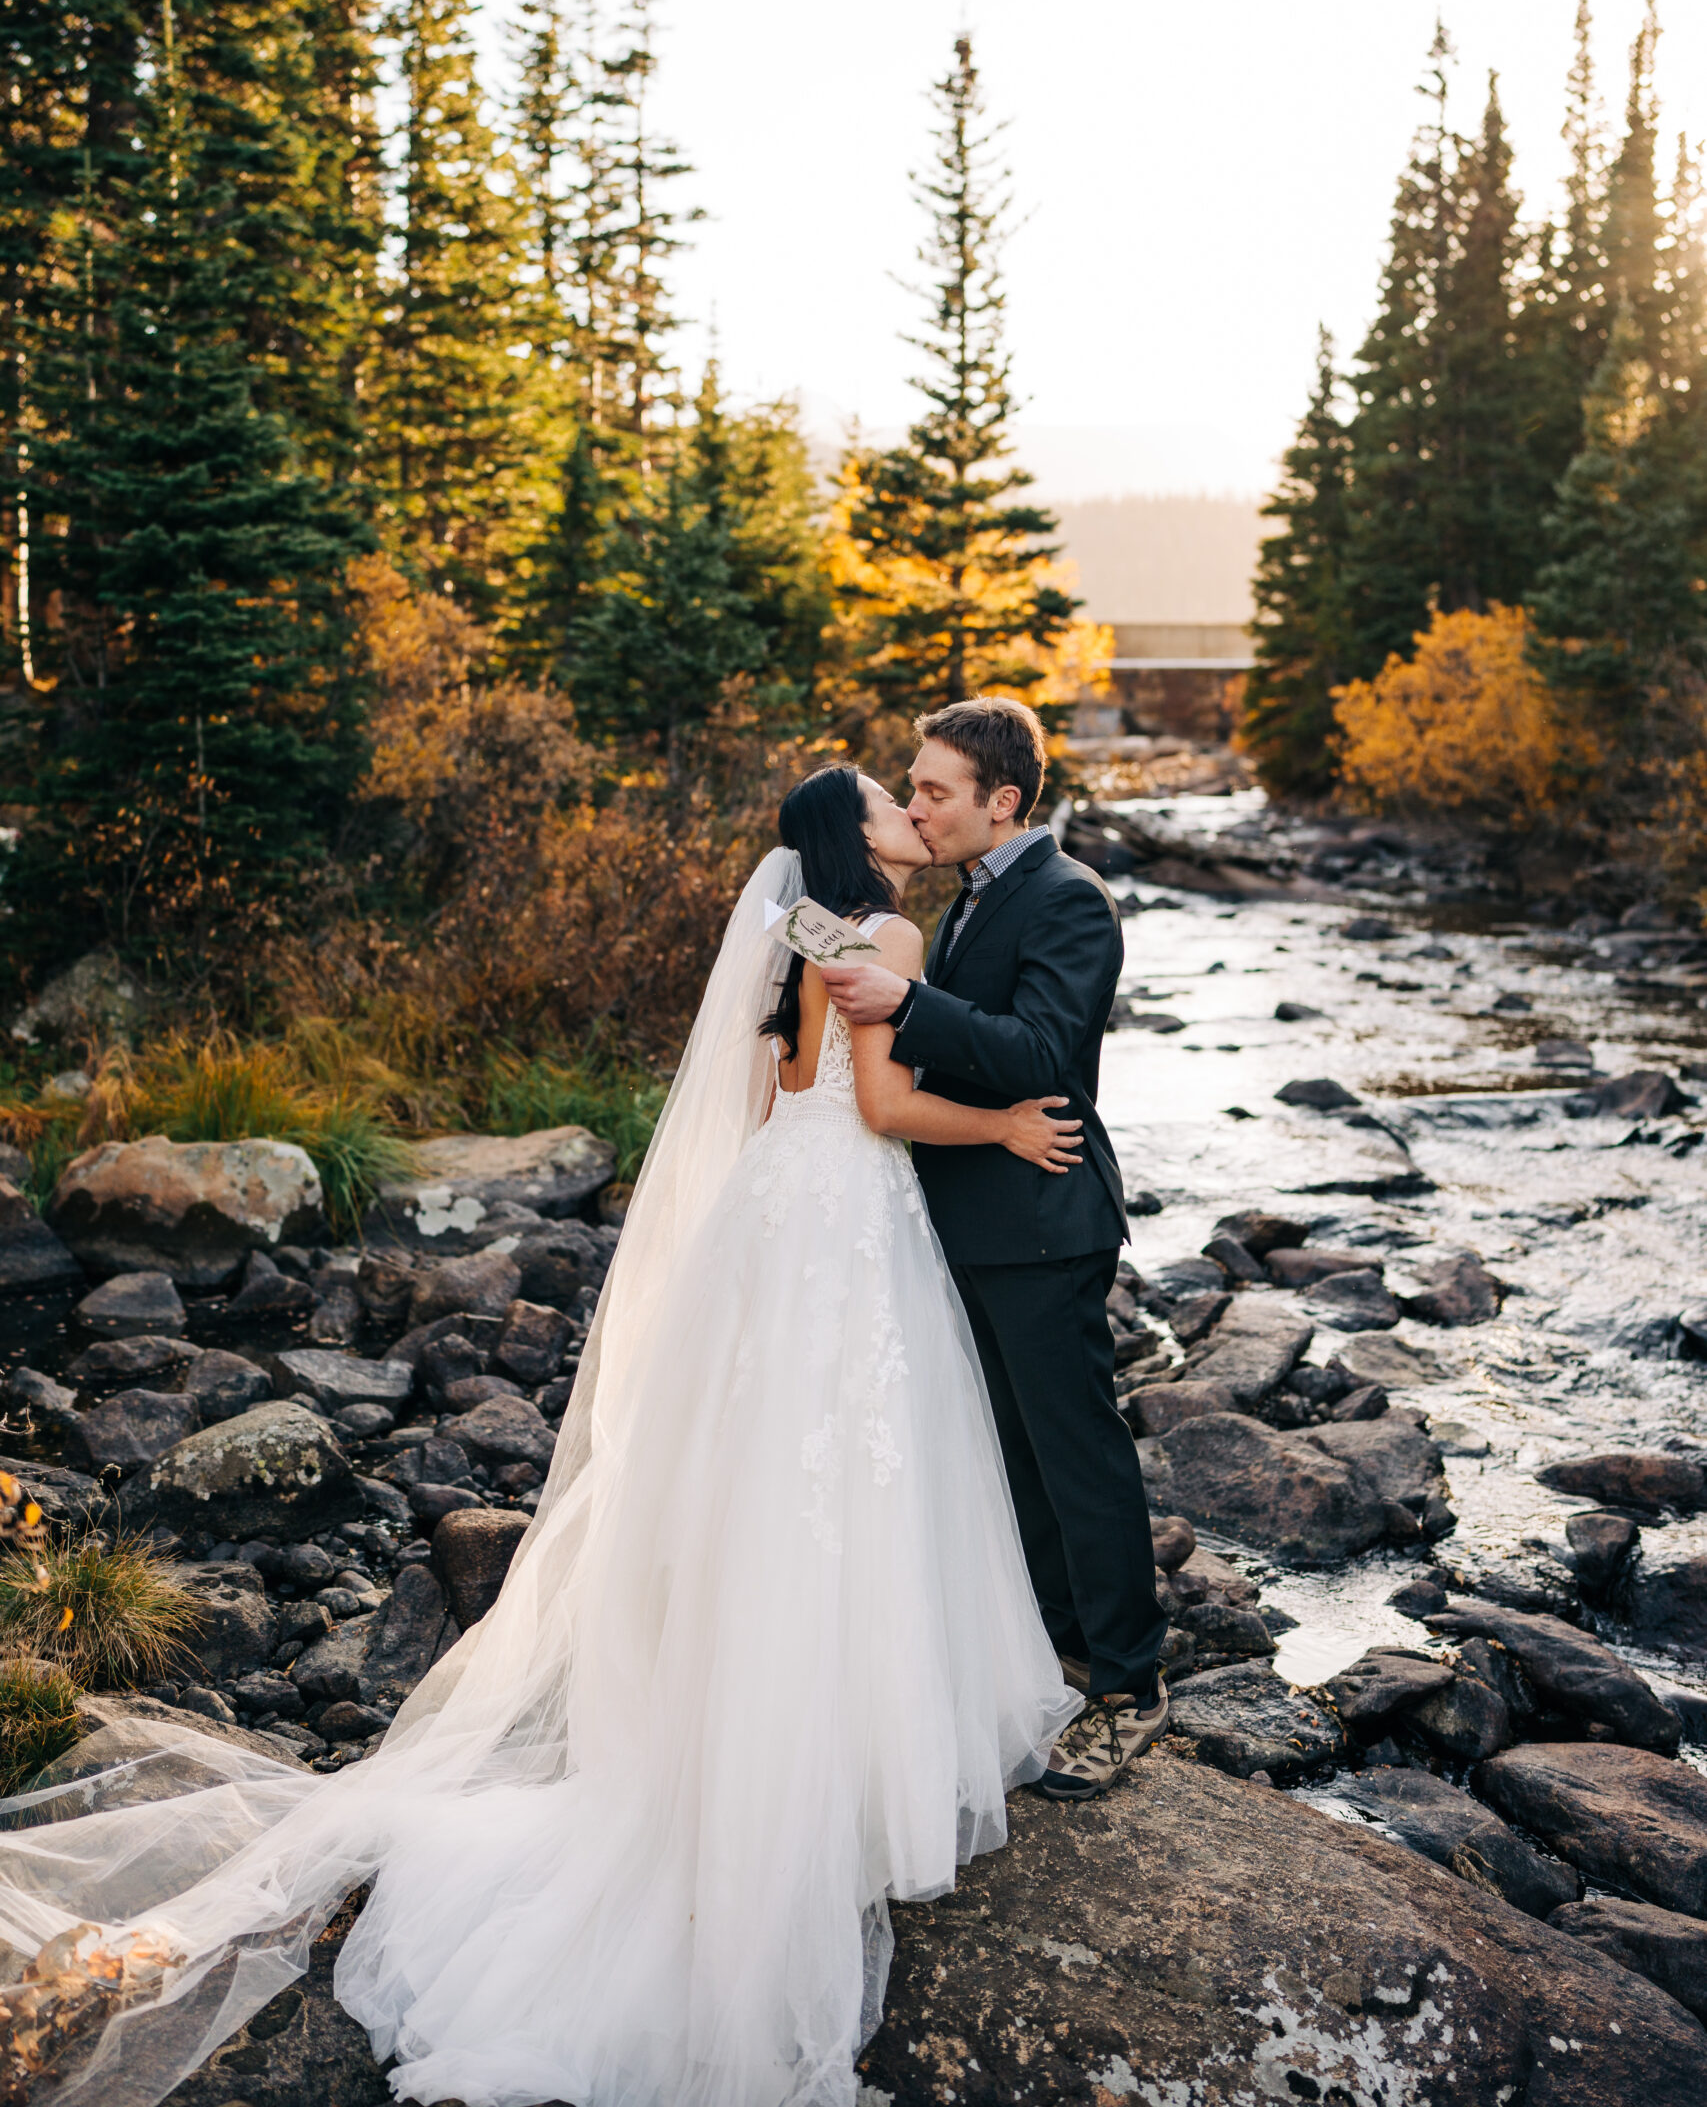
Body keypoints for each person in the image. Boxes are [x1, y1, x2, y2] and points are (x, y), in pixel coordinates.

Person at [0, 767, 1085, 2107]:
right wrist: (1002, 1124)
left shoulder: (797, 931)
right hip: (847, 1219)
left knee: (763, 1484)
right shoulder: (890, 937)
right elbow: (872, 1109)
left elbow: (772, 1098)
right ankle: (835, 1768)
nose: (910, 816)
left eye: (920, 797)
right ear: (852, 836)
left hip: (772, 1224)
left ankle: (728, 1749)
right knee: (852, 1478)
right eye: (890, 802)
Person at [820, 696, 1171, 1802]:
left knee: (1077, 1453)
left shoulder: (1069, 900)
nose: (918, 803)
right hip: (961, 1219)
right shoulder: (964, 898)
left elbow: (1042, 1055)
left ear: (1001, 801)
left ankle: (1131, 1686)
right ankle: (1060, 1647)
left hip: (1040, 1216)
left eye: (933, 788)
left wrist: (909, 1003)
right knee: (1010, 1455)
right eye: (909, 788)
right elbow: (821, 959)